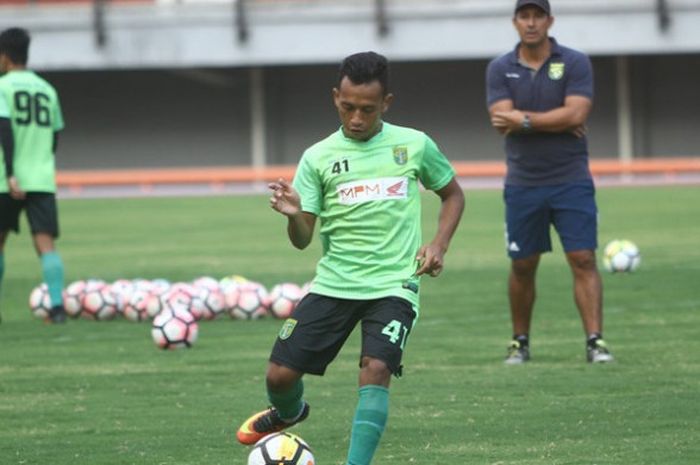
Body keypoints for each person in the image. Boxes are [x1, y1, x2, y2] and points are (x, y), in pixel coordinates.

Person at [236, 51, 465, 464]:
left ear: (386, 104)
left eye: (367, 110)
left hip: (395, 283)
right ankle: (290, 412)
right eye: (347, 107)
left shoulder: (414, 144)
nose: (356, 118)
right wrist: (294, 216)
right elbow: (303, 239)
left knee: (375, 369)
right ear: (334, 97)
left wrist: (438, 244)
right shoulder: (318, 157)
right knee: (279, 375)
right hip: (335, 282)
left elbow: (453, 194)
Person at [485, 0, 614, 363]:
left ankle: (595, 341)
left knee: (583, 258)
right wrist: (555, 120)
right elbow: (499, 118)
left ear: (549, 20)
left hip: (571, 178)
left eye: (537, 16)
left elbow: (578, 112)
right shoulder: (500, 68)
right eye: (524, 16)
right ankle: (519, 342)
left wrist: (523, 120)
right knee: (523, 264)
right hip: (523, 182)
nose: (531, 23)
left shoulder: (574, 62)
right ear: (515, 22)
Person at [0, 27, 67, 324]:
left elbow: (4, 130)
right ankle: (57, 307)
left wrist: (12, 172)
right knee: (46, 245)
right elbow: (55, 136)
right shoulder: (47, 89)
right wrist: (40, 163)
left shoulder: (2, 88)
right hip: (41, 177)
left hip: (6, 179)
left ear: (4, 56)